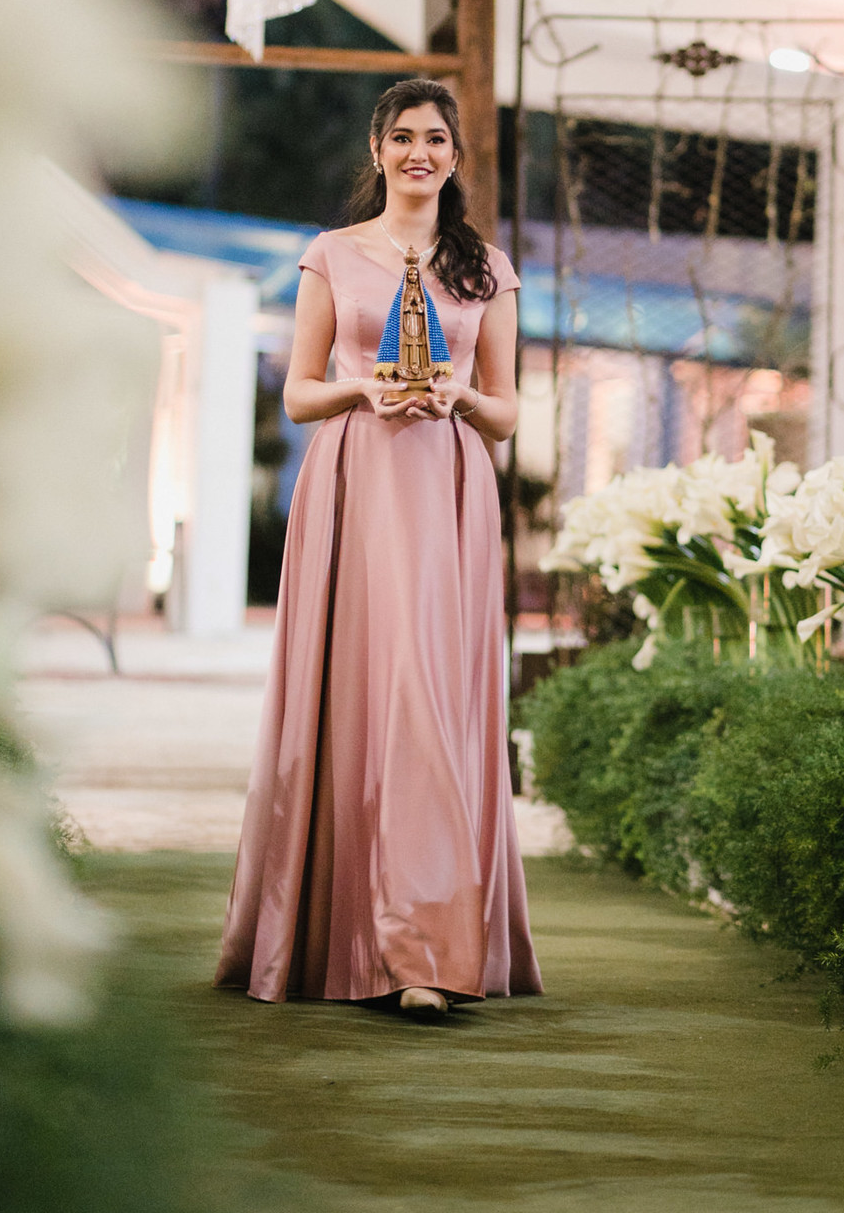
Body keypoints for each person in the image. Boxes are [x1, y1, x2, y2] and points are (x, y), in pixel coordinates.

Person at [215, 79, 543, 1017]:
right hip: (357, 487)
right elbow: (300, 394)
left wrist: (459, 400)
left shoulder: (488, 267)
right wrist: (366, 390)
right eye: (402, 137)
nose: (419, 153)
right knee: (372, 689)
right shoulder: (333, 256)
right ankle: (375, 942)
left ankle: (427, 947)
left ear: (455, 157)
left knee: (432, 694)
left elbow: (507, 410)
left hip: (446, 488)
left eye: (436, 139)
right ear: (376, 151)